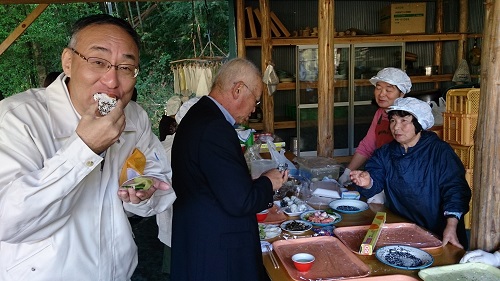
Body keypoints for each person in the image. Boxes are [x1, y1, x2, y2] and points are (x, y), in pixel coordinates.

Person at [0, 14, 176, 281]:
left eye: (125, 68)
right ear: (68, 62)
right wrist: (85, 148)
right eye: (98, 62)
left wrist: (143, 192)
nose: (112, 81)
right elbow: (8, 221)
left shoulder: (135, 116)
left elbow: (155, 175)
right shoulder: (16, 119)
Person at [170, 58, 288, 281]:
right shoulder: (215, 127)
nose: (254, 109)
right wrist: (269, 181)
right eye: (256, 100)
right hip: (217, 249)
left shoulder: (199, 115)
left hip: (200, 236)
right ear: (238, 89)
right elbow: (240, 201)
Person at [350, 97, 471, 249]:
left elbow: (455, 188)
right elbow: (375, 179)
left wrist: (452, 225)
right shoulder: (385, 153)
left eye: (403, 121)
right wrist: (368, 182)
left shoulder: (439, 151)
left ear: (419, 123)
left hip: (441, 230)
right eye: (393, 121)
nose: (396, 127)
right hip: (404, 228)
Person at [338, 68, 411, 203]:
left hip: (400, 180)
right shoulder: (380, 113)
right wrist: (348, 172)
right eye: (378, 88)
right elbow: (368, 145)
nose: (382, 94)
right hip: (378, 172)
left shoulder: (410, 118)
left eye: (388, 90)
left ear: (401, 94)